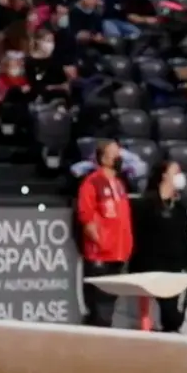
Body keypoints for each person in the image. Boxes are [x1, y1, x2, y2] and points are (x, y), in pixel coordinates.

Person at [76, 140, 134, 327]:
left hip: (118, 254)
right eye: (114, 153)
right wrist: (101, 243)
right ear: (103, 158)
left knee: (109, 306)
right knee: (99, 308)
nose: (119, 157)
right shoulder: (92, 182)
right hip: (100, 255)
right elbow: (86, 217)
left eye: (119, 153)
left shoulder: (119, 184)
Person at [129, 161, 187, 333]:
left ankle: (168, 333)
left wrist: (184, 264)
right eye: (176, 172)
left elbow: (184, 238)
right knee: (148, 311)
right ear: (164, 175)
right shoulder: (145, 204)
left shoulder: (180, 208)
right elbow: (138, 235)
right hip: (150, 265)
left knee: (171, 316)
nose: (180, 176)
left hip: (173, 266)